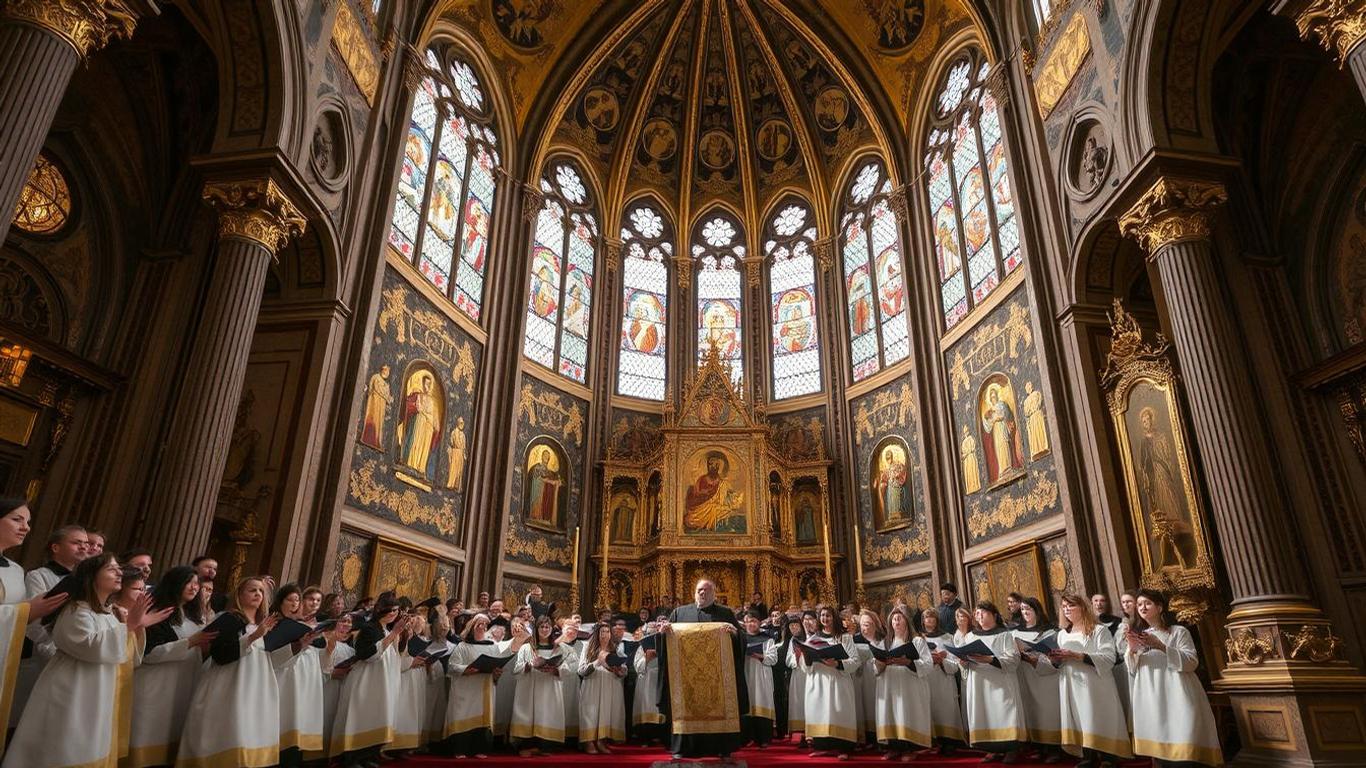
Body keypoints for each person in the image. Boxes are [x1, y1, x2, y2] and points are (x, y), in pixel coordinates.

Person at [5, 553, 170, 768]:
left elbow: (126, 656)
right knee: (65, 744)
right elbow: (88, 646)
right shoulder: (76, 610)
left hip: (98, 691)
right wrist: (130, 626)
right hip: (73, 689)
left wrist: (136, 627)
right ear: (92, 576)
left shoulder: (108, 614)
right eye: (112, 569)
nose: (120, 572)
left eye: (119, 568)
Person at [176, 576, 282, 768]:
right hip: (230, 684)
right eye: (252, 590)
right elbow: (220, 655)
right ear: (239, 595)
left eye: (260, 591)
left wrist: (298, 645)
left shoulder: (265, 624)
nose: (258, 594)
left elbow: (270, 658)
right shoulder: (229, 619)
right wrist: (253, 637)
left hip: (256, 686)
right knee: (230, 728)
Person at [127, 565, 215, 768]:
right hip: (155, 686)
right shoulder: (156, 612)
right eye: (189, 583)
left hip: (183, 685)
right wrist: (191, 642)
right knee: (148, 736)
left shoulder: (194, 617)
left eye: (197, 584)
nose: (194, 588)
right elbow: (148, 653)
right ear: (175, 583)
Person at [1125, 590, 1222, 766]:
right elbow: (1132, 670)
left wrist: (1160, 646)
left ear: (1160, 607)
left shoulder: (1178, 632)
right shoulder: (1140, 635)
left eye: (1147, 603)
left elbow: (1191, 662)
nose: (1142, 607)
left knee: (1184, 738)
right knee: (1159, 743)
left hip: (1178, 692)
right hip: (1151, 694)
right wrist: (1132, 650)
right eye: (1139, 604)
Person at [656, 579, 748, 759]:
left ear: (714, 593)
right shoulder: (679, 613)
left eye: (706, 590)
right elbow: (666, 644)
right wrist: (663, 633)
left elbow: (740, 640)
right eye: (699, 590)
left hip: (717, 678)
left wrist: (735, 634)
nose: (702, 593)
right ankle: (683, 748)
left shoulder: (725, 613)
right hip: (686, 679)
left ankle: (722, 747)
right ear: (694, 592)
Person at [0, 500, 67, 745]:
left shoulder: (16, 570)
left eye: (28, 521)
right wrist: (26, 611)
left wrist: (33, 612)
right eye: (17, 519)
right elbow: (20, 612)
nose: (26, 527)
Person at [1053, 594, 1132, 767]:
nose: (1066, 609)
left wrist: (1078, 655)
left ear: (1082, 607)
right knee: (1081, 717)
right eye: (1064, 606)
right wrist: (1055, 659)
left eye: (1071, 606)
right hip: (1072, 681)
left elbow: (1109, 657)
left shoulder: (1098, 630)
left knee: (1097, 716)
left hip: (1095, 683)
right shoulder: (1061, 635)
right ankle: (1087, 755)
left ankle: (1108, 757)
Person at [331, 594, 407, 765]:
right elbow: (367, 654)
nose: (394, 613)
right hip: (367, 680)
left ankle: (369, 755)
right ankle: (352, 758)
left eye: (397, 610)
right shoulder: (369, 628)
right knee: (362, 717)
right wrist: (394, 633)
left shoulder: (388, 631)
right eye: (391, 610)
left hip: (384, 681)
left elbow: (394, 656)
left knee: (379, 716)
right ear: (380, 609)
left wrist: (401, 634)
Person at [444, 611, 529, 757]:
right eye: (479, 623)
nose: (482, 626)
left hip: (484, 686)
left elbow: (504, 655)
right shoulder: (463, 646)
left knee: (482, 718)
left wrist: (496, 673)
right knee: (463, 716)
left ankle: (479, 748)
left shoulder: (493, 646)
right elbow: (452, 666)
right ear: (472, 626)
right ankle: (460, 748)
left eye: (485, 624)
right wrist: (466, 669)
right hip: (465, 689)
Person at [958, 601, 1027, 763]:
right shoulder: (970, 636)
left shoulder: (1004, 635)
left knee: (1004, 712)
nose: (979, 615)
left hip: (1001, 682)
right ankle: (993, 748)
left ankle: (1011, 748)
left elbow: (1013, 660)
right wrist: (962, 661)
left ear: (994, 614)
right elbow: (964, 658)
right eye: (977, 613)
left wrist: (989, 659)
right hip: (979, 681)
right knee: (985, 713)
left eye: (983, 612)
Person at [270, 583, 327, 766]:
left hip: (304, 676)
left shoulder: (304, 624)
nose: (295, 603)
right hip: (282, 676)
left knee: (297, 717)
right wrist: (298, 645)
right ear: (280, 601)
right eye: (291, 599)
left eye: (297, 599)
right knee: (282, 717)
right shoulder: (275, 623)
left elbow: (321, 646)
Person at [796, 604, 860, 759]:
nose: (825, 618)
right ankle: (822, 746)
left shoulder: (844, 638)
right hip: (818, 682)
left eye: (828, 615)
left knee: (838, 712)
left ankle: (844, 748)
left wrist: (838, 663)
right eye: (823, 615)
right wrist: (806, 657)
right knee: (820, 712)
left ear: (834, 617)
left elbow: (856, 661)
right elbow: (805, 667)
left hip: (838, 681)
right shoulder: (813, 639)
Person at [874, 605, 934, 761]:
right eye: (894, 618)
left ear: (907, 620)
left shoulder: (917, 641)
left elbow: (927, 665)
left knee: (908, 713)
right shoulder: (885, 643)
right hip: (889, 686)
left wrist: (908, 662)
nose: (896, 620)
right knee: (891, 714)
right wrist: (881, 663)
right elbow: (875, 668)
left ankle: (911, 749)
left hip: (910, 688)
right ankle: (894, 747)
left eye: (899, 617)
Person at [511, 614, 573, 756]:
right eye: (542, 626)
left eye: (547, 626)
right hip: (530, 687)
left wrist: (555, 669)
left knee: (547, 714)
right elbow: (516, 669)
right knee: (530, 714)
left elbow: (567, 668)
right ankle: (527, 746)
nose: (545, 629)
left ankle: (543, 747)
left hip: (550, 688)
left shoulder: (558, 649)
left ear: (551, 629)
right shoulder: (527, 647)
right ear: (536, 629)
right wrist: (529, 665)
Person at [1014, 596, 1063, 762]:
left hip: (1046, 679)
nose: (1025, 612)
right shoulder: (1015, 633)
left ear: (1037, 610)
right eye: (1022, 609)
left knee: (1048, 711)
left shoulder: (1050, 631)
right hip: (1025, 676)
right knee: (1032, 711)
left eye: (1028, 608)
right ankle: (1039, 746)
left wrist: (1035, 658)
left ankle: (1055, 748)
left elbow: (1056, 657)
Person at [920, 608, 966, 753]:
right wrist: (929, 661)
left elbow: (954, 664)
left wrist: (941, 661)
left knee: (946, 710)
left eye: (932, 618)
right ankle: (933, 741)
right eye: (927, 618)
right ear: (923, 621)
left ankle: (950, 741)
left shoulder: (947, 637)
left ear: (937, 620)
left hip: (944, 680)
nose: (930, 620)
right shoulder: (918, 639)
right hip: (927, 679)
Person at [578, 620, 627, 753]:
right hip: (593, 684)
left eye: (607, 632)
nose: (605, 635)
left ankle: (601, 741)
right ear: (597, 634)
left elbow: (624, 669)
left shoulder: (614, 648)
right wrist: (597, 661)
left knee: (605, 712)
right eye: (602, 632)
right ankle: (589, 742)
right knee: (591, 713)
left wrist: (619, 670)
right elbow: (581, 670)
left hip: (610, 685)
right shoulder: (588, 647)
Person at [317, 612, 356, 762]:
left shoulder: (351, 649)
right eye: (343, 620)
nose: (346, 624)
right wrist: (333, 672)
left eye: (349, 622)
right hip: (325, 688)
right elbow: (319, 666)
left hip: (342, 688)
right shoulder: (323, 641)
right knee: (324, 718)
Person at [741, 609, 778, 747]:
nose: (751, 624)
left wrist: (760, 656)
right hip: (746, 673)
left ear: (759, 623)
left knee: (762, 703)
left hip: (762, 675)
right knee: (748, 705)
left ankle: (763, 739)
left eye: (754, 621)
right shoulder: (741, 638)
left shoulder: (767, 639)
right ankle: (748, 738)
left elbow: (773, 659)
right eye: (749, 621)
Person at [785, 610, 817, 745]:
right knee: (798, 704)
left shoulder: (811, 637)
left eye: (795, 626)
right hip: (797, 675)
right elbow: (788, 659)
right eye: (791, 627)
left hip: (810, 674)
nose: (794, 629)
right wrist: (796, 658)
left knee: (811, 702)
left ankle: (813, 732)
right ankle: (802, 733)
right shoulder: (792, 640)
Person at [631, 620, 666, 744]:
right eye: (650, 631)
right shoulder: (642, 647)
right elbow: (637, 666)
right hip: (646, 679)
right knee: (645, 706)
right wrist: (647, 657)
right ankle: (645, 736)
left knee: (658, 708)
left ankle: (659, 735)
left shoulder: (665, 644)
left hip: (660, 679)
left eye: (655, 630)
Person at [853, 609, 883, 745]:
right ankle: (865, 737)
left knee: (876, 704)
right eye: (862, 625)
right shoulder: (855, 640)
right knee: (862, 704)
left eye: (867, 624)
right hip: (860, 677)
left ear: (875, 624)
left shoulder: (883, 640)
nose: (863, 628)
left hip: (877, 677)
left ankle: (880, 737)